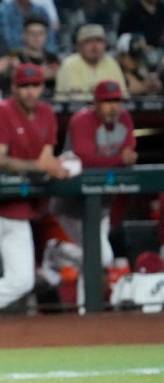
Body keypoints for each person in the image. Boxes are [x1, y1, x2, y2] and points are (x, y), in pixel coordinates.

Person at [0, 64, 68, 319]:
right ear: (14, 87)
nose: (30, 92)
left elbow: (47, 156)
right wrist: (41, 166)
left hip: (21, 209)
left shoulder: (47, 113)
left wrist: (55, 167)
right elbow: (0, 159)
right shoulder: (0, 112)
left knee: (23, 280)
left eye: (35, 86)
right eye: (24, 86)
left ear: (43, 87)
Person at [51, 80, 137, 270]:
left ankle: (85, 298)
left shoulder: (125, 119)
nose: (113, 107)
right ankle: (57, 251)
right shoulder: (81, 120)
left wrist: (121, 160)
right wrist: (119, 160)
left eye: (117, 101)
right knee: (102, 260)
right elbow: (85, 160)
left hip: (102, 205)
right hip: (72, 206)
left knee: (97, 264)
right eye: (107, 102)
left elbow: (129, 156)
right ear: (95, 103)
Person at [55, 24, 127, 101]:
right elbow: (77, 99)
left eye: (99, 41)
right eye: (88, 41)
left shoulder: (111, 63)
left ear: (105, 44)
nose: (95, 46)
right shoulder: (69, 64)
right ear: (78, 46)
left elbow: (123, 96)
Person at [17, 16, 58, 95]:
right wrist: (42, 73)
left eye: (41, 33)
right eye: (32, 33)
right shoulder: (17, 57)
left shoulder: (52, 58)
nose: (37, 37)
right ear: (24, 36)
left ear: (46, 36)